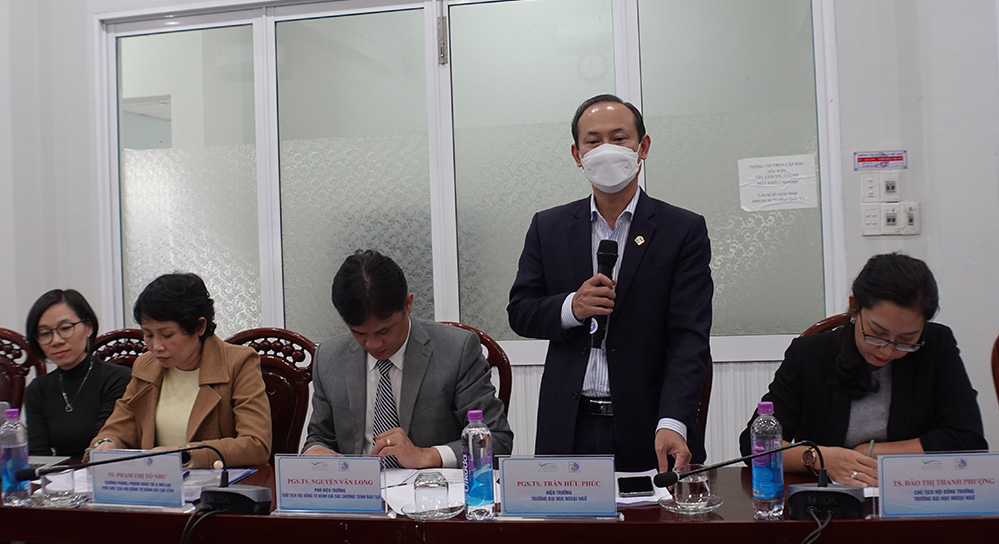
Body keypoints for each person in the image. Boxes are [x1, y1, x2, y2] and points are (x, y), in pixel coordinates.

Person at [507, 94, 713, 472]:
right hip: (567, 423)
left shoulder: (682, 229)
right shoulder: (548, 227)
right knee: (565, 515)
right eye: (593, 141)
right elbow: (520, 311)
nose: (606, 150)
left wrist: (673, 421)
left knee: (653, 513)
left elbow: (689, 336)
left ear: (642, 147)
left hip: (650, 422)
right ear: (577, 154)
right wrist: (571, 308)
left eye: (619, 139)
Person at [738, 253, 987, 487]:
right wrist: (818, 457)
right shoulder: (810, 354)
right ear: (854, 307)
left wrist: (869, 453)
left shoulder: (936, 347)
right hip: (831, 498)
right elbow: (755, 446)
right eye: (877, 334)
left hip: (912, 491)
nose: (887, 351)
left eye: (907, 340)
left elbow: (968, 440)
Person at [302, 250, 512, 469]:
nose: (373, 344)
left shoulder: (456, 350)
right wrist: (315, 451)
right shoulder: (329, 358)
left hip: (433, 486)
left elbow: (497, 439)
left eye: (384, 331)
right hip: (359, 487)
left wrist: (425, 455)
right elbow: (319, 438)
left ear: (408, 304)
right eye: (359, 333)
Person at [90, 273, 271, 468]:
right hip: (157, 480)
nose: (156, 346)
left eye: (167, 335)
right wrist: (106, 443)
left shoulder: (238, 363)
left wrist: (184, 455)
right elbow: (119, 426)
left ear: (199, 326)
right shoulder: (146, 365)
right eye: (148, 335)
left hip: (221, 483)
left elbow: (256, 445)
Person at [23, 289, 131, 457]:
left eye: (65, 328)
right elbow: (38, 455)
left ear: (88, 327)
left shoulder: (118, 378)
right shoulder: (37, 389)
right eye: (45, 333)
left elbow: (106, 442)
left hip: (105, 468)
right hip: (58, 473)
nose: (56, 341)